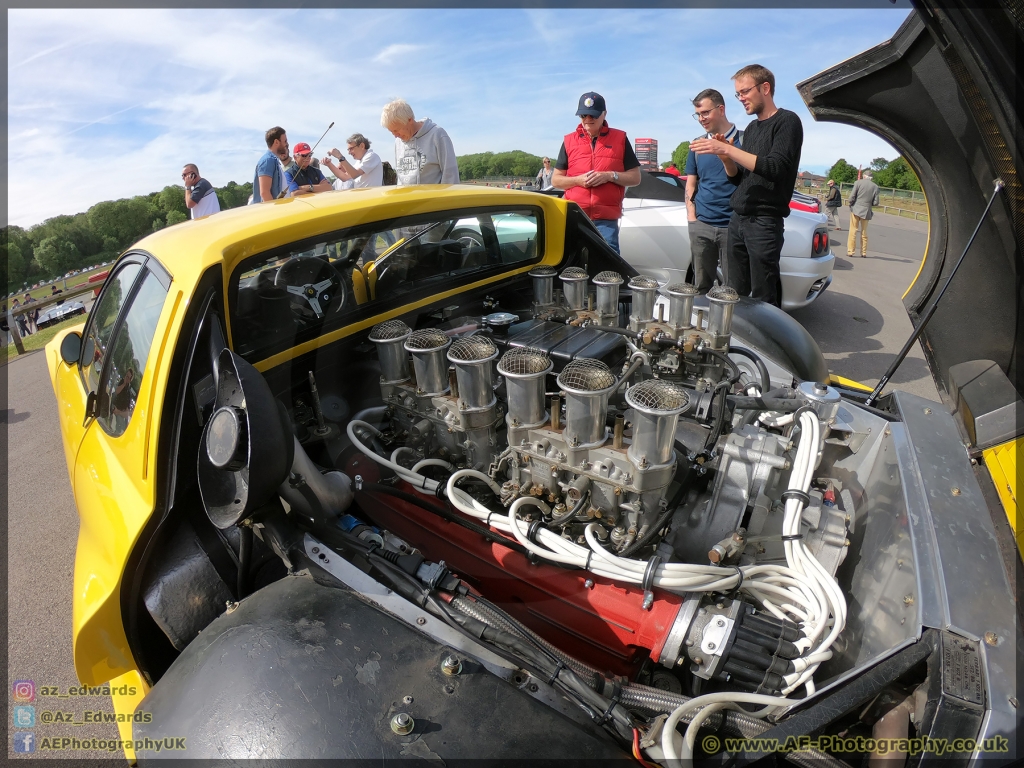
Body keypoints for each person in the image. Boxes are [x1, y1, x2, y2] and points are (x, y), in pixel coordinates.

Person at [692, 64, 803, 308]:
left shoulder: (788, 121)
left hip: (764, 222)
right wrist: (726, 158)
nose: (741, 98)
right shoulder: (752, 129)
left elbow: (775, 168)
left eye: (744, 92)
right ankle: (736, 341)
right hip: (738, 219)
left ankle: (764, 344)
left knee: (764, 297)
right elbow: (738, 179)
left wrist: (727, 148)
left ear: (765, 88)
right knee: (734, 293)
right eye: (738, 94)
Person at [552, 92, 642, 254]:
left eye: (593, 115)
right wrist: (578, 181)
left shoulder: (620, 138)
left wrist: (609, 176)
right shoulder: (569, 140)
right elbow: (556, 180)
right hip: (575, 217)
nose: (588, 119)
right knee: (573, 267)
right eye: (583, 115)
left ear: (604, 114)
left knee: (608, 268)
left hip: (606, 221)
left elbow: (635, 177)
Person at [684, 89, 743, 293]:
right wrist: (692, 218)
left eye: (705, 113)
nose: (701, 119)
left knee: (733, 290)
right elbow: (691, 183)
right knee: (700, 287)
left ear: (721, 109)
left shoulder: (745, 141)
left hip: (733, 227)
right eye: (698, 114)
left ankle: (731, 325)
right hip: (702, 226)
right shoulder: (697, 145)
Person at [381, 99, 460, 185]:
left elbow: (450, 175)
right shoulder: (398, 141)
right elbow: (400, 178)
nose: (395, 135)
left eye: (397, 130)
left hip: (433, 197)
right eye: (392, 131)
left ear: (410, 120)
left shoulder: (437, 135)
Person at [251, 127, 290, 203]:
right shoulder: (268, 161)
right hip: (272, 212)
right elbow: (264, 193)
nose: (287, 144)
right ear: (276, 142)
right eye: (285, 141)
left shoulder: (273, 161)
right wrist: (275, 212)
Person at [846, 171, 880, 257]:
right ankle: (863, 252)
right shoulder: (875, 187)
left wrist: (851, 203)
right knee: (864, 232)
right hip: (866, 211)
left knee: (853, 231)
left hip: (856, 209)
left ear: (864, 176)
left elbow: (851, 197)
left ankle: (850, 251)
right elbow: (876, 202)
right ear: (871, 178)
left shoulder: (858, 183)